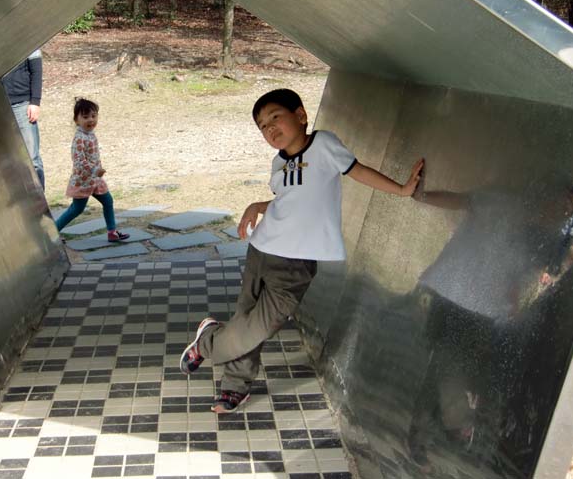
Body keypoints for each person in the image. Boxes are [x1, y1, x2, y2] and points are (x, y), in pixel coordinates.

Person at [179, 88, 424, 413]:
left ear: (301, 115)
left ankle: (208, 341)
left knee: (259, 327)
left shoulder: (324, 145)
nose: (270, 129)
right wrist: (258, 204)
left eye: (275, 118)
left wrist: (402, 189)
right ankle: (235, 385)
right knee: (245, 320)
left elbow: (359, 171)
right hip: (262, 248)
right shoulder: (278, 163)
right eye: (262, 126)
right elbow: (289, 201)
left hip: (295, 263)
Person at [55, 98, 130, 242]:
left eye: (94, 116)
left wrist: (97, 171)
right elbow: (78, 161)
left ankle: (112, 232)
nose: (91, 120)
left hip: (95, 180)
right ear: (76, 120)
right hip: (83, 181)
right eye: (85, 117)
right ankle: (52, 233)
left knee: (108, 201)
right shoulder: (79, 138)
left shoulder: (90, 134)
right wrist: (95, 169)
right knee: (76, 209)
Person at [1, 48, 45, 189]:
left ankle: (41, 204)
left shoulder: (27, 39)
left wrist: (35, 102)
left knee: (32, 159)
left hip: (23, 104)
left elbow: (36, 71)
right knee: (9, 160)